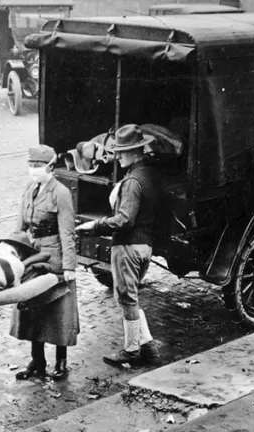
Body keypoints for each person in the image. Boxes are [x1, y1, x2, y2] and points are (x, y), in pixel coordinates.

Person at [76, 124, 164, 367]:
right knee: (131, 298)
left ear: (135, 152)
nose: (117, 156)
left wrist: (93, 227)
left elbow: (125, 220)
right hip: (145, 246)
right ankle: (148, 348)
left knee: (127, 300)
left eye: (122, 151)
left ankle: (131, 350)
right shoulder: (149, 174)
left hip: (127, 247)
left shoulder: (133, 182)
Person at [10, 145, 79, 381]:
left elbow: (67, 232)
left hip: (54, 256)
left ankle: (61, 360)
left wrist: (69, 267)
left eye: (38, 166)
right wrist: (12, 252)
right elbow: (20, 227)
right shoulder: (29, 189)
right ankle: (37, 361)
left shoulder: (60, 192)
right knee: (32, 308)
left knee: (58, 310)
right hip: (32, 252)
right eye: (31, 165)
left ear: (50, 166)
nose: (33, 170)